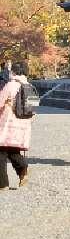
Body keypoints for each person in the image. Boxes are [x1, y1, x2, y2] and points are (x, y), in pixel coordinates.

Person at [0, 61, 32, 190]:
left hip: (7, 124)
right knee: (13, 150)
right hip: (23, 125)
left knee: (1, 152)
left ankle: (3, 184)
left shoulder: (10, 85)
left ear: (13, 71)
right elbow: (33, 108)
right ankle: (23, 170)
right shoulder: (29, 86)